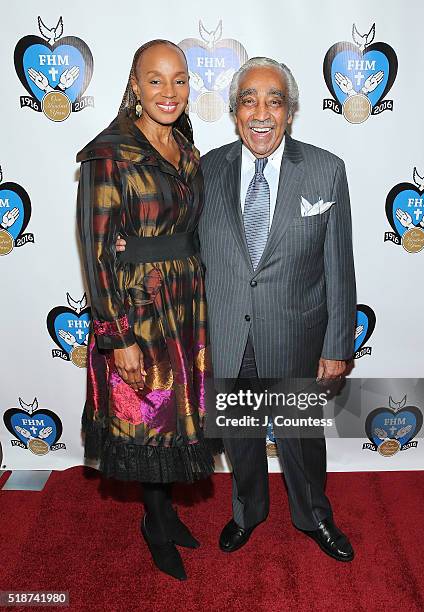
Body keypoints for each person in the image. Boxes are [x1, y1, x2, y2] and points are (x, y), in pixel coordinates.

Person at [117, 56, 357, 561]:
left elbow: (340, 265)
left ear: (289, 112)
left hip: (296, 336)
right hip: (226, 333)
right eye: (249, 100)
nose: (261, 112)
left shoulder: (326, 169)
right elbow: (180, 237)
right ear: (235, 112)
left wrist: (338, 346)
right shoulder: (208, 168)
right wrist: (134, 247)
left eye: (274, 100)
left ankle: (315, 516)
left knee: (302, 443)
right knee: (241, 439)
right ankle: (247, 511)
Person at [76, 40, 215, 581]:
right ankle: (155, 523)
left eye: (179, 80)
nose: (169, 92)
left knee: (177, 413)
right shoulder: (107, 154)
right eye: (155, 80)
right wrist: (118, 335)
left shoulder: (185, 146)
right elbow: (96, 247)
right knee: (149, 416)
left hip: (186, 302)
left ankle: (167, 511)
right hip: (139, 306)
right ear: (134, 85)